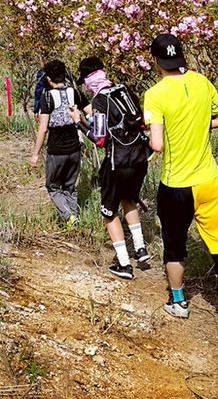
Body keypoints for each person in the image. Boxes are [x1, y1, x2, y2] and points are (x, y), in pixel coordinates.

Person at [143, 33, 218, 343]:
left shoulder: (156, 94)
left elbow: (157, 144)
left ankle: (178, 302)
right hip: (211, 181)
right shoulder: (203, 82)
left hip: (176, 185)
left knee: (174, 247)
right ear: (181, 58)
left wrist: (149, 135)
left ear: (156, 61)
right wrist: (199, 125)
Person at [69, 56, 151, 280]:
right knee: (129, 200)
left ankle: (124, 264)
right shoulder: (125, 90)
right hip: (141, 159)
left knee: (109, 212)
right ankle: (141, 249)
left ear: (88, 79)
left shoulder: (100, 101)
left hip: (118, 163)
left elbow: (99, 140)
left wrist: (78, 121)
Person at [28, 59, 87, 226]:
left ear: (48, 79)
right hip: (75, 149)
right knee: (69, 187)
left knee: (53, 188)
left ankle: (69, 217)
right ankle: (75, 220)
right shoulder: (75, 93)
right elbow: (90, 112)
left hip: (56, 150)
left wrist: (35, 154)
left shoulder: (47, 97)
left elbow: (43, 129)